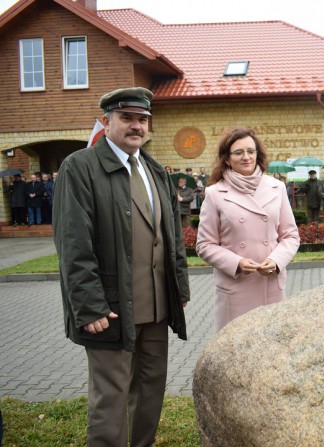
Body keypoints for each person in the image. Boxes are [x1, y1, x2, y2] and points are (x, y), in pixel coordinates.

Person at [52, 87, 190, 446]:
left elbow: (172, 234)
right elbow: (73, 243)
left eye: (143, 120)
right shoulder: (80, 167)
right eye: (127, 118)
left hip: (157, 307)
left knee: (150, 389)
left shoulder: (155, 169)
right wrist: (88, 305)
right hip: (109, 308)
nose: (136, 126)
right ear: (106, 121)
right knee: (111, 398)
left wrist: (180, 289)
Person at [196, 127, 299, 331]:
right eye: (238, 152)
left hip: (270, 285)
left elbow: (290, 235)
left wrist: (277, 260)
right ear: (227, 159)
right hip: (235, 289)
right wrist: (237, 262)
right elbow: (205, 245)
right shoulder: (215, 193)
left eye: (251, 151)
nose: (246, 157)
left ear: (257, 155)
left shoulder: (276, 187)